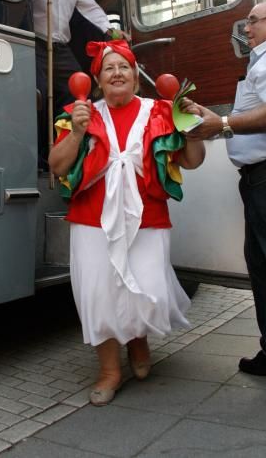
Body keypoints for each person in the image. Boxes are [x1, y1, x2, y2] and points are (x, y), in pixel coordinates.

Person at [48, 39, 205, 406]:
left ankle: (138, 341)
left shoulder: (162, 111)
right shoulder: (80, 112)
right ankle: (109, 370)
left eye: (124, 66)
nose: (117, 72)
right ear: (98, 80)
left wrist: (192, 126)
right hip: (92, 220)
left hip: (147, 219)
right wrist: (76, 132)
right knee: (99, 293)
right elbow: (57, 166)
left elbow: (193, 160)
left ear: (136, 77)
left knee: (144, 288)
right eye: (109, 68)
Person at [182, 1, 266, 380]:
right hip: (258, 178)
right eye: (245, 21)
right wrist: (215, 119)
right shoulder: (258, 62)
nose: (245, 28)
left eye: (252, 21)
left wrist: (224, 123)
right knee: (261, 264)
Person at [32, 0, 111, 163]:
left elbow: (90, 8)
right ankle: (38, 157)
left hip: (60, 48)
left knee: (78, 92)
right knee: (38, 95)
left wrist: (111, 29)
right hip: (34, 42)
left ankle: (66, 151)